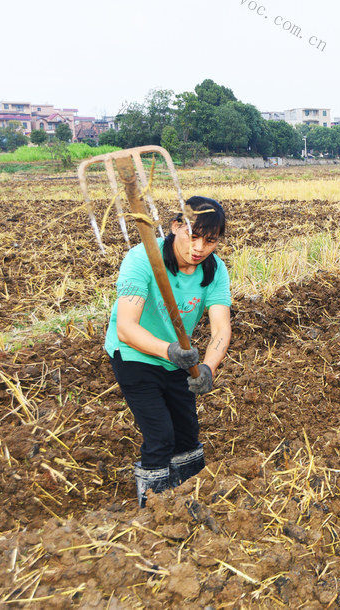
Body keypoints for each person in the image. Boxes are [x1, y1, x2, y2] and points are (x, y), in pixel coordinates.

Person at [104, 196, 232, 507]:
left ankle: (189, 498)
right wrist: (168, 350)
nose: (199, 248)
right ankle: (153, 509)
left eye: (210, 240)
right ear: (176, 227)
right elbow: (126, 328)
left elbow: (221, 328)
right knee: (161, 436)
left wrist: (208, 368)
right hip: (135, 354)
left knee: (186, 435)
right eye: (193, 235)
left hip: (179, 358)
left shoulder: (213, 271)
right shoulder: (143, 259)